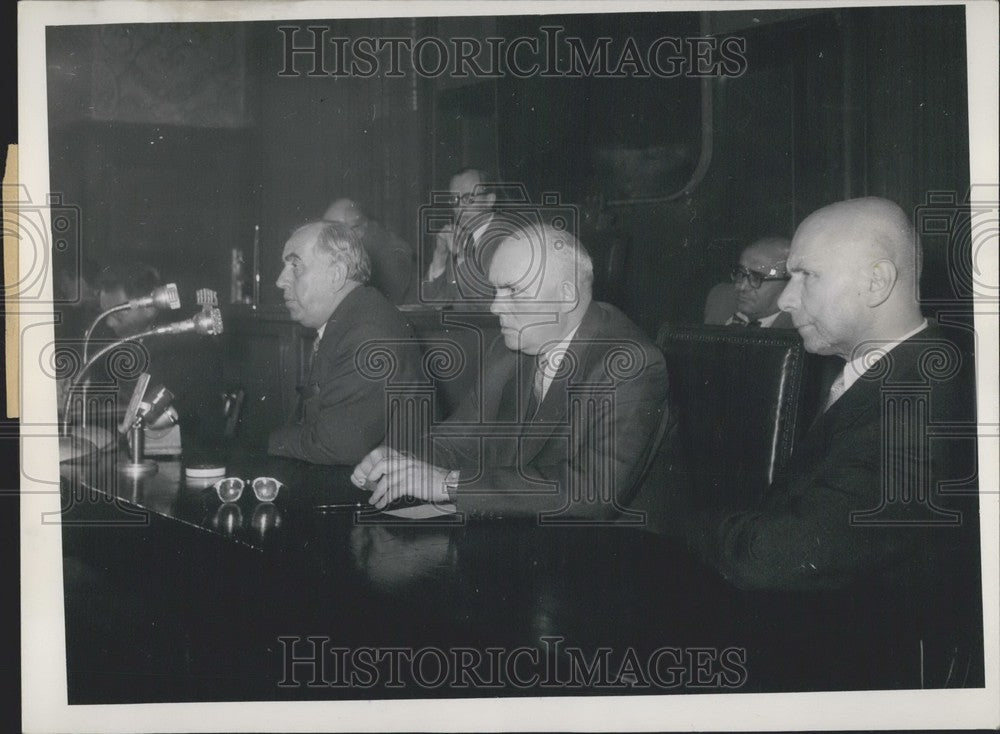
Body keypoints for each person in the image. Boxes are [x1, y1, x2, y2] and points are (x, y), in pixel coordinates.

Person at [353, 222, 670, 520]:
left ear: (567, 295)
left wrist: (449, 484)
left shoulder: (630, 363)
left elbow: (594, 492)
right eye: (495, 291)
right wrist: (400, 460)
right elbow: (460, 437)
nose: (494, 307)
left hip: (623, 553)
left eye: (512, 291)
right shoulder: (510, 349)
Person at [267, 220, 424, 465]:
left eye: (295, 265)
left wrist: (263, 442)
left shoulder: (367, 334)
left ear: (336, 275)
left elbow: (333, 446)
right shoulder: (353, 317)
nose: (280, 280)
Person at [421, 167, 506, 308]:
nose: (459, 208)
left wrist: (461, 256)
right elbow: (432, 302)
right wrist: (440, 256)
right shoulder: (460, 235)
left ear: (489, 200)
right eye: (454, 199)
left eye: (468, 198)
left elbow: (489, 305)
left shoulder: (508, 239)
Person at [323, 198, 416, 305]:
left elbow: (384, 305)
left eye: (331, 233)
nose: (327, 242)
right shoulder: (366, 241)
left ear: (355, 229)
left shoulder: (384, 251)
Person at [703, 236, 794, 328]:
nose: (741, 287)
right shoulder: (720, 298)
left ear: (789, 284)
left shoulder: (798, 327)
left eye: (756, 278)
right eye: (740, 273)